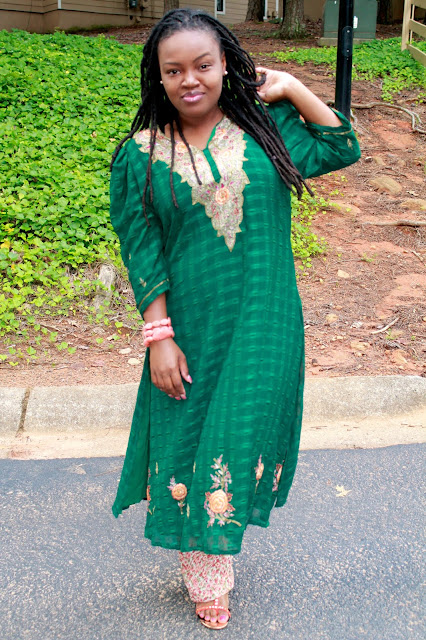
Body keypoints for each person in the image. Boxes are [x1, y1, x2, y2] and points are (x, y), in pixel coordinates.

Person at [110, 8, 360, 630]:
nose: (189, 79)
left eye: (203, 65)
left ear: (226, 64)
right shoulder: (141, 156)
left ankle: (215, 555)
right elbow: (143, 250)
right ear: (158, 77)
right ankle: (208, 570)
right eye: (173, 70)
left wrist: (292, 87)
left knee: (236, 435)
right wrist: (159, 337)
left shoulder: (266, 130)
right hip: (191, 327)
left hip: (265, 321)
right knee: (191, 437)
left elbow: (341, 146)